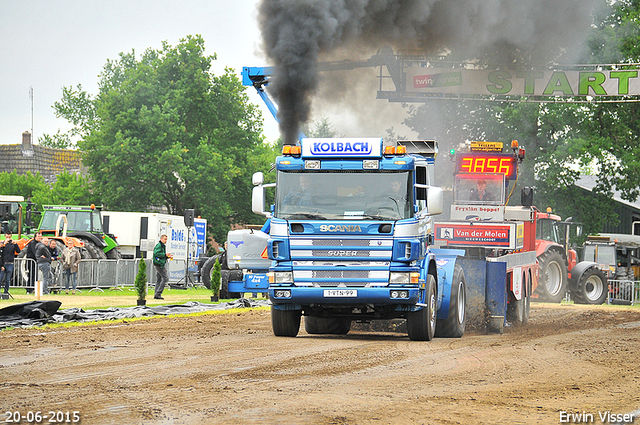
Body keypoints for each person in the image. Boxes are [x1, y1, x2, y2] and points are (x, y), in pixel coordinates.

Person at [152, 234, 173, 300]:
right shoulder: (159, 245)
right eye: (164, 239)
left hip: (160, 263)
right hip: (159, 264)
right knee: (165, 278)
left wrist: (166, 256)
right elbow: (156, 254)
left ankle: (156, 294)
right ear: (161, 239)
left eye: (166, 239)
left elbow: (161, 255)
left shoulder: (162, 246)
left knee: (159, 279)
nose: (165, 241)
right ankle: (158, 293)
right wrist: (165, 254)